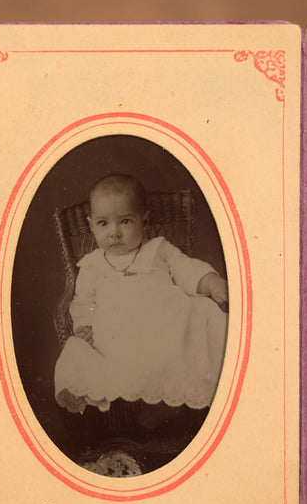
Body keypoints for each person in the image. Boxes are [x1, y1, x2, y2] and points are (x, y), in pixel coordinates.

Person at [54, 174, 228, 421]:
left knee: (202, 326)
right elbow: (83, 302)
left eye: (125, 221)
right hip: (119, 335)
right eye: (103, 224)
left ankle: (165, 404)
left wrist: (211, 282)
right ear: (91, 225)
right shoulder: (91, 265)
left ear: (144, 221)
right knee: (82, 353)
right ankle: (138, 406)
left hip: (166, 325)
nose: (114, 233)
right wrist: (84, 326)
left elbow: (185, 269)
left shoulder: (158, 248)